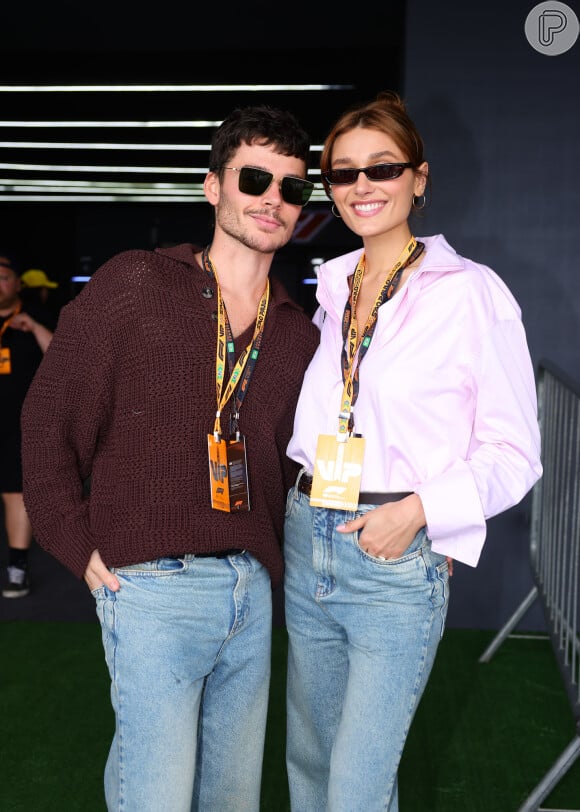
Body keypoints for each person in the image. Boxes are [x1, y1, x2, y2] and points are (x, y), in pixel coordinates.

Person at [20, 105, 320, 811]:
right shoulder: (136, 283)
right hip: (152, 586)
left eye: (293, 188)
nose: (273, 200)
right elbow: (47, 417)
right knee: (152, 797)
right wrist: (72, 539)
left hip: (251, 591)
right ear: (213, 186)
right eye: (254, 179)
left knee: (230, 801)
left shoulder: (299, 334)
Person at [283, 90, 543, 812]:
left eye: (383, 168)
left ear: (418, 179)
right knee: (310, 760)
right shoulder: (332, 287)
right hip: (310, 535)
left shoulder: (472, 294)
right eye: (343, 174)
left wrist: (419, 511)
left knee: (357, 786)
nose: (362, 186)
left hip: (396, 556)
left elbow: (516, 452)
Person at [0, 253, 54, 598]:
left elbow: (65, 361)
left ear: (17, 284)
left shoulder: (38, 318)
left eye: (3, 277)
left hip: (18, 422)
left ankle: (17, 568)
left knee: (16, 494)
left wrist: (34, 328)